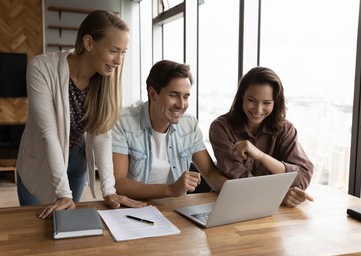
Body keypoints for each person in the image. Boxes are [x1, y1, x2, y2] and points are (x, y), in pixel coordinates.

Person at [16, 10, 146, 219]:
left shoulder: (105, 80)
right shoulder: (41, 68)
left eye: (123, 52)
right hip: (39, 161)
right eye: (114, 50)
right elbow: (49, 133)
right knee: (36, 228)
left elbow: (102, 135)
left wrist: (109, 190)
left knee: (67, 221)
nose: (119, 61)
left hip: (77, 160)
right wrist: (63, 193)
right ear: (88, 42)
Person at [111, 60, 228, 199]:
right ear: (152, 94)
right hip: (134, 210)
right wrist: (171, 190)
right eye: (173, 95)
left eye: (186, 96)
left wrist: (236, 190)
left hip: (176, 210)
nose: (181, 105)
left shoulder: (189, 125)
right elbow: (119, 184)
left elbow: (209, 173)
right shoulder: (123, 122)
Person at [209, 66, 314, 208]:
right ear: (241, 98)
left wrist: (261, 156)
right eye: (251, 100)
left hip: (272, 211)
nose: (258, 110)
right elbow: (239, 181)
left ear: (275, 103)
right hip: (229, 205)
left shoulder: (285, 129)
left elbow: (302, 178)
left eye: (267, 103)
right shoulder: (221, 128)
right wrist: (278, 195)